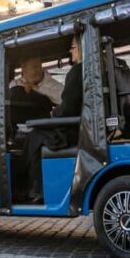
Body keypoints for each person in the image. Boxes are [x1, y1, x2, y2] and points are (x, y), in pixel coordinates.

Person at [22, 36, 84, 203]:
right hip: (81, 125)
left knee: (34, 136)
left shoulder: (77, 72)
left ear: (82, 48)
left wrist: (54, 114)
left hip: (74, 129)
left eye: (73, 47)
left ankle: (36, 187)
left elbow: (68, 107)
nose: (71, 51)